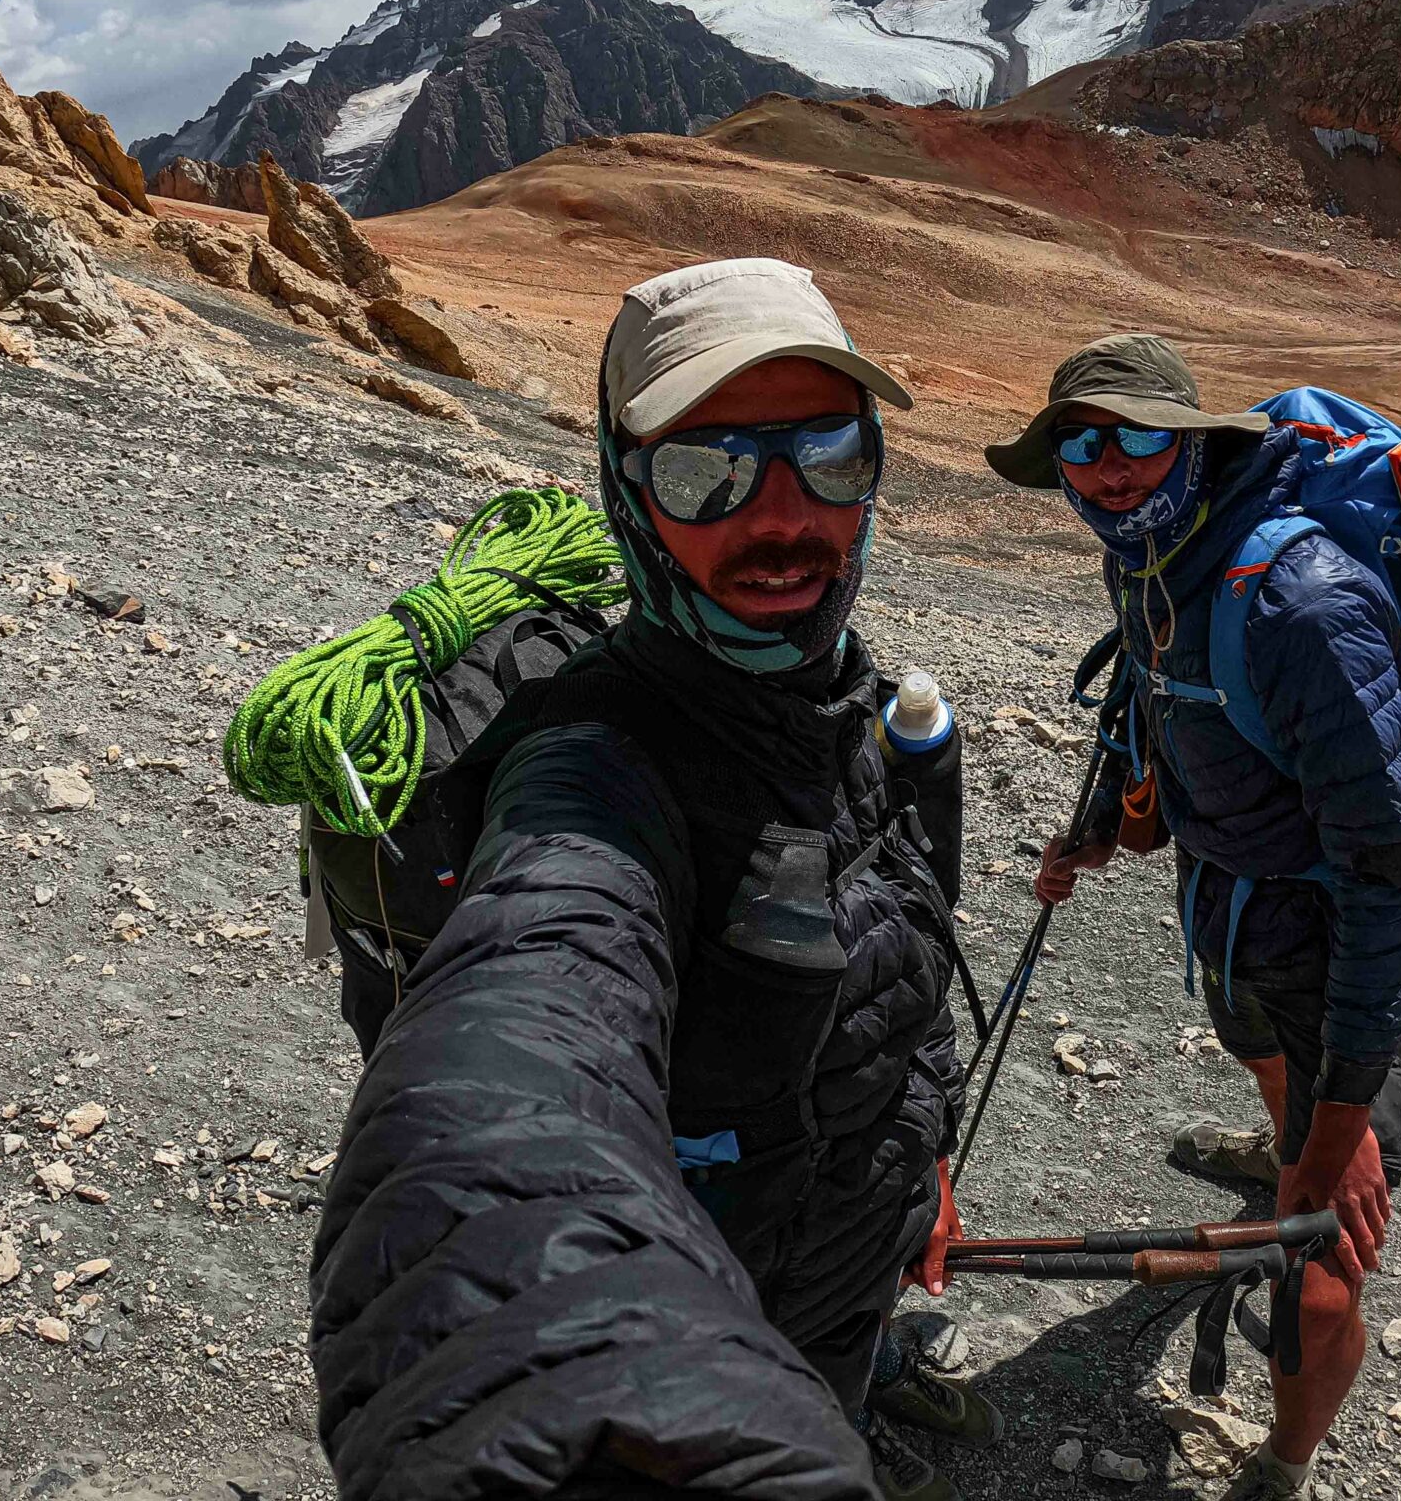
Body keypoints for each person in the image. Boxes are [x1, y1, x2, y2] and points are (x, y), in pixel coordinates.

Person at [311, 258, 999, 1501]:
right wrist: (595, 1403)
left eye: (830, 454)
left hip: (841, 1272)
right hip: (729, 1328)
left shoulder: (830, 694)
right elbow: (508, 1073)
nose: (782, 515)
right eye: (706, 470)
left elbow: (896, 992)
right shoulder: (593, 769)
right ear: (630, 496)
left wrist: (919, 1169)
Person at [984, 334, 1401, 1501]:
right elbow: (1145, 696)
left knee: (1318, 1247)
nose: (1108, 466)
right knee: (1263, 1071)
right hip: (1228, 905)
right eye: (1082, 446)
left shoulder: (1302, 603)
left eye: (1137, 436)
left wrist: (1341, 1131)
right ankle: (1283, 1141)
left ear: (1193, 441)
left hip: (1325, 936)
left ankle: (1283, 1470)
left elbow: (1389, 878)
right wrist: (1098, 823)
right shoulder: (1151, 555)